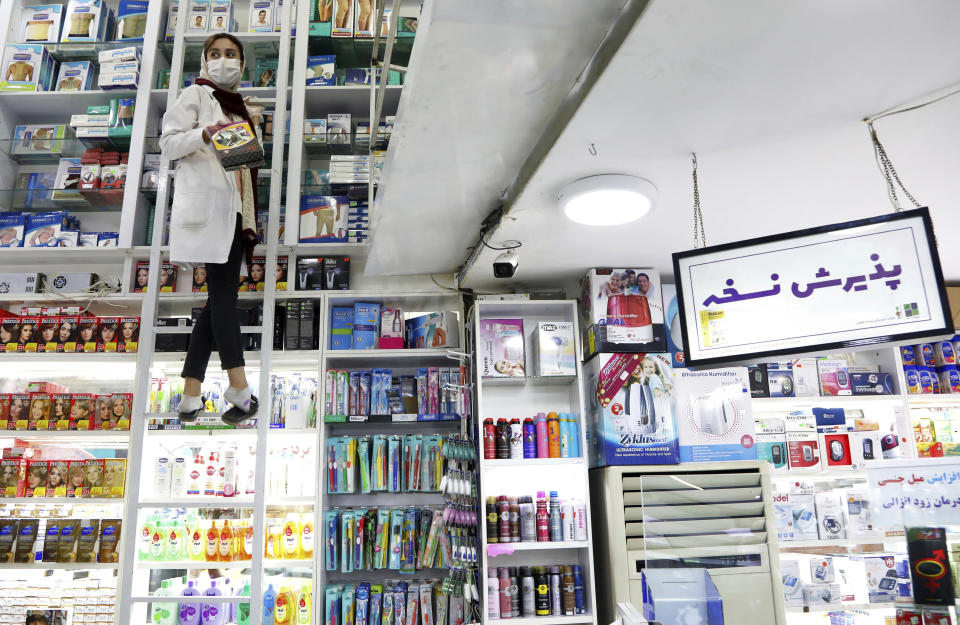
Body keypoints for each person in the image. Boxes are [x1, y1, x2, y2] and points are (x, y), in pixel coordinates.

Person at [160, 32, 263, 425]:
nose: (224, 60)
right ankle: (238, 388)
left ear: (241, 62)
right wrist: (203, 133)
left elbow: (240, 165)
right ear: (205, 61)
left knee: (215, 301)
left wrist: (250, 137)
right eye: (215, 54)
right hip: (208, 211)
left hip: (233, 211)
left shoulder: (237, 107)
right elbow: (167, 145)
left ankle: (190, 396)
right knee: (224, 295)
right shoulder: (196, 95)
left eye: (231, 54)